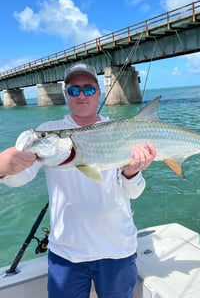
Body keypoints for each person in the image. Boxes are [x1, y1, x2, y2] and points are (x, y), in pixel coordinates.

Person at [1, 62, 156, 298]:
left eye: (88, 89)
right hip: (67, 254)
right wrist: (5, 167)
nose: (81, 95)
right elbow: (19, 178)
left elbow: (134, 192)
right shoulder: (50, 132)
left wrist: (132, 172)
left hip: (117, 249)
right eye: (74, 90)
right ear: (65, 94)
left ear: (98, 92)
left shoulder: (119, 130)